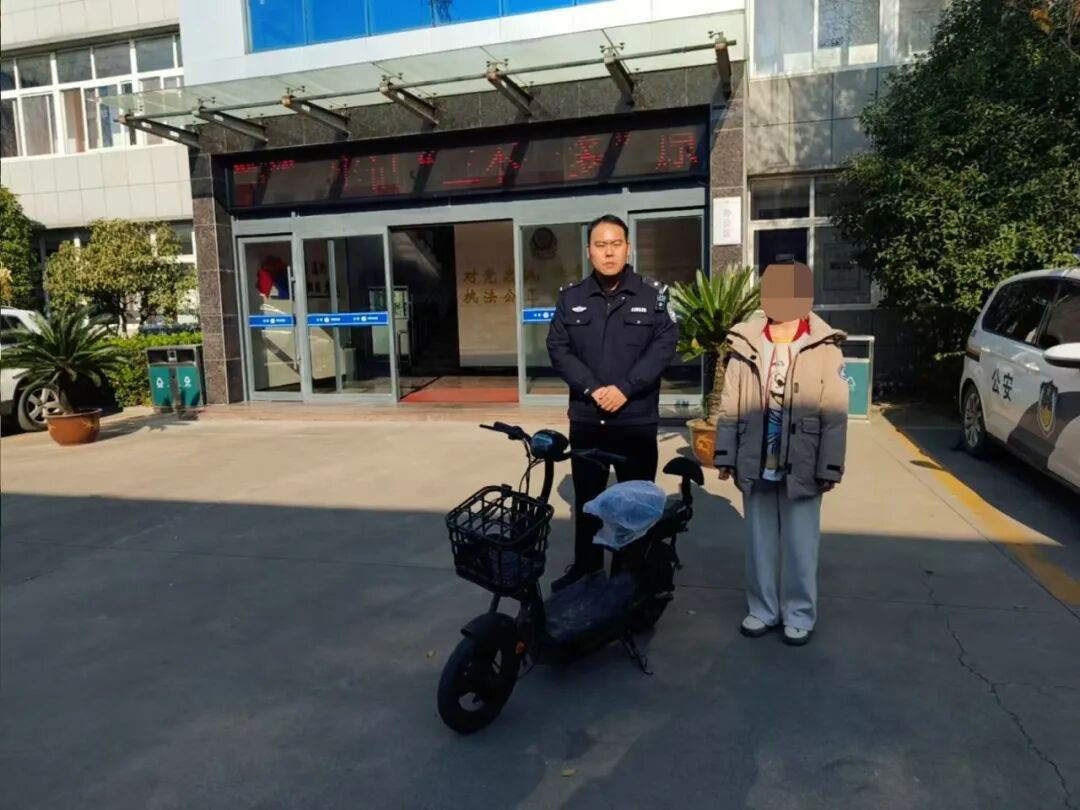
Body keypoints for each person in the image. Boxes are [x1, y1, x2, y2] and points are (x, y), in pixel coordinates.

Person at [713, 261, 848, 646]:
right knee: (759, 543)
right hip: (756, 458)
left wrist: (830, 466)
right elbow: (730, 405)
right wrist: (725, 454)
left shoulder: (825, 347)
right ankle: (762, 609)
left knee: (800, 544)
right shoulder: (745, 343)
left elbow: (835, 414)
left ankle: (799, 613)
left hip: (803, 460)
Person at [546, 214, 678, 592]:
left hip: (635, 420)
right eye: (600, 245)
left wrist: (625, 388)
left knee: (634, 503)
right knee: (588, 500)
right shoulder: (571, 297)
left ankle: (629, 577)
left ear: (628, 248)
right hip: (588, 419)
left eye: (615, 244)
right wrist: (591, 388)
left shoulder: (653, 296)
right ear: (589, 251)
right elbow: (558, 348)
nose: (608, 252)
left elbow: (664, 347)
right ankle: (586, 570)